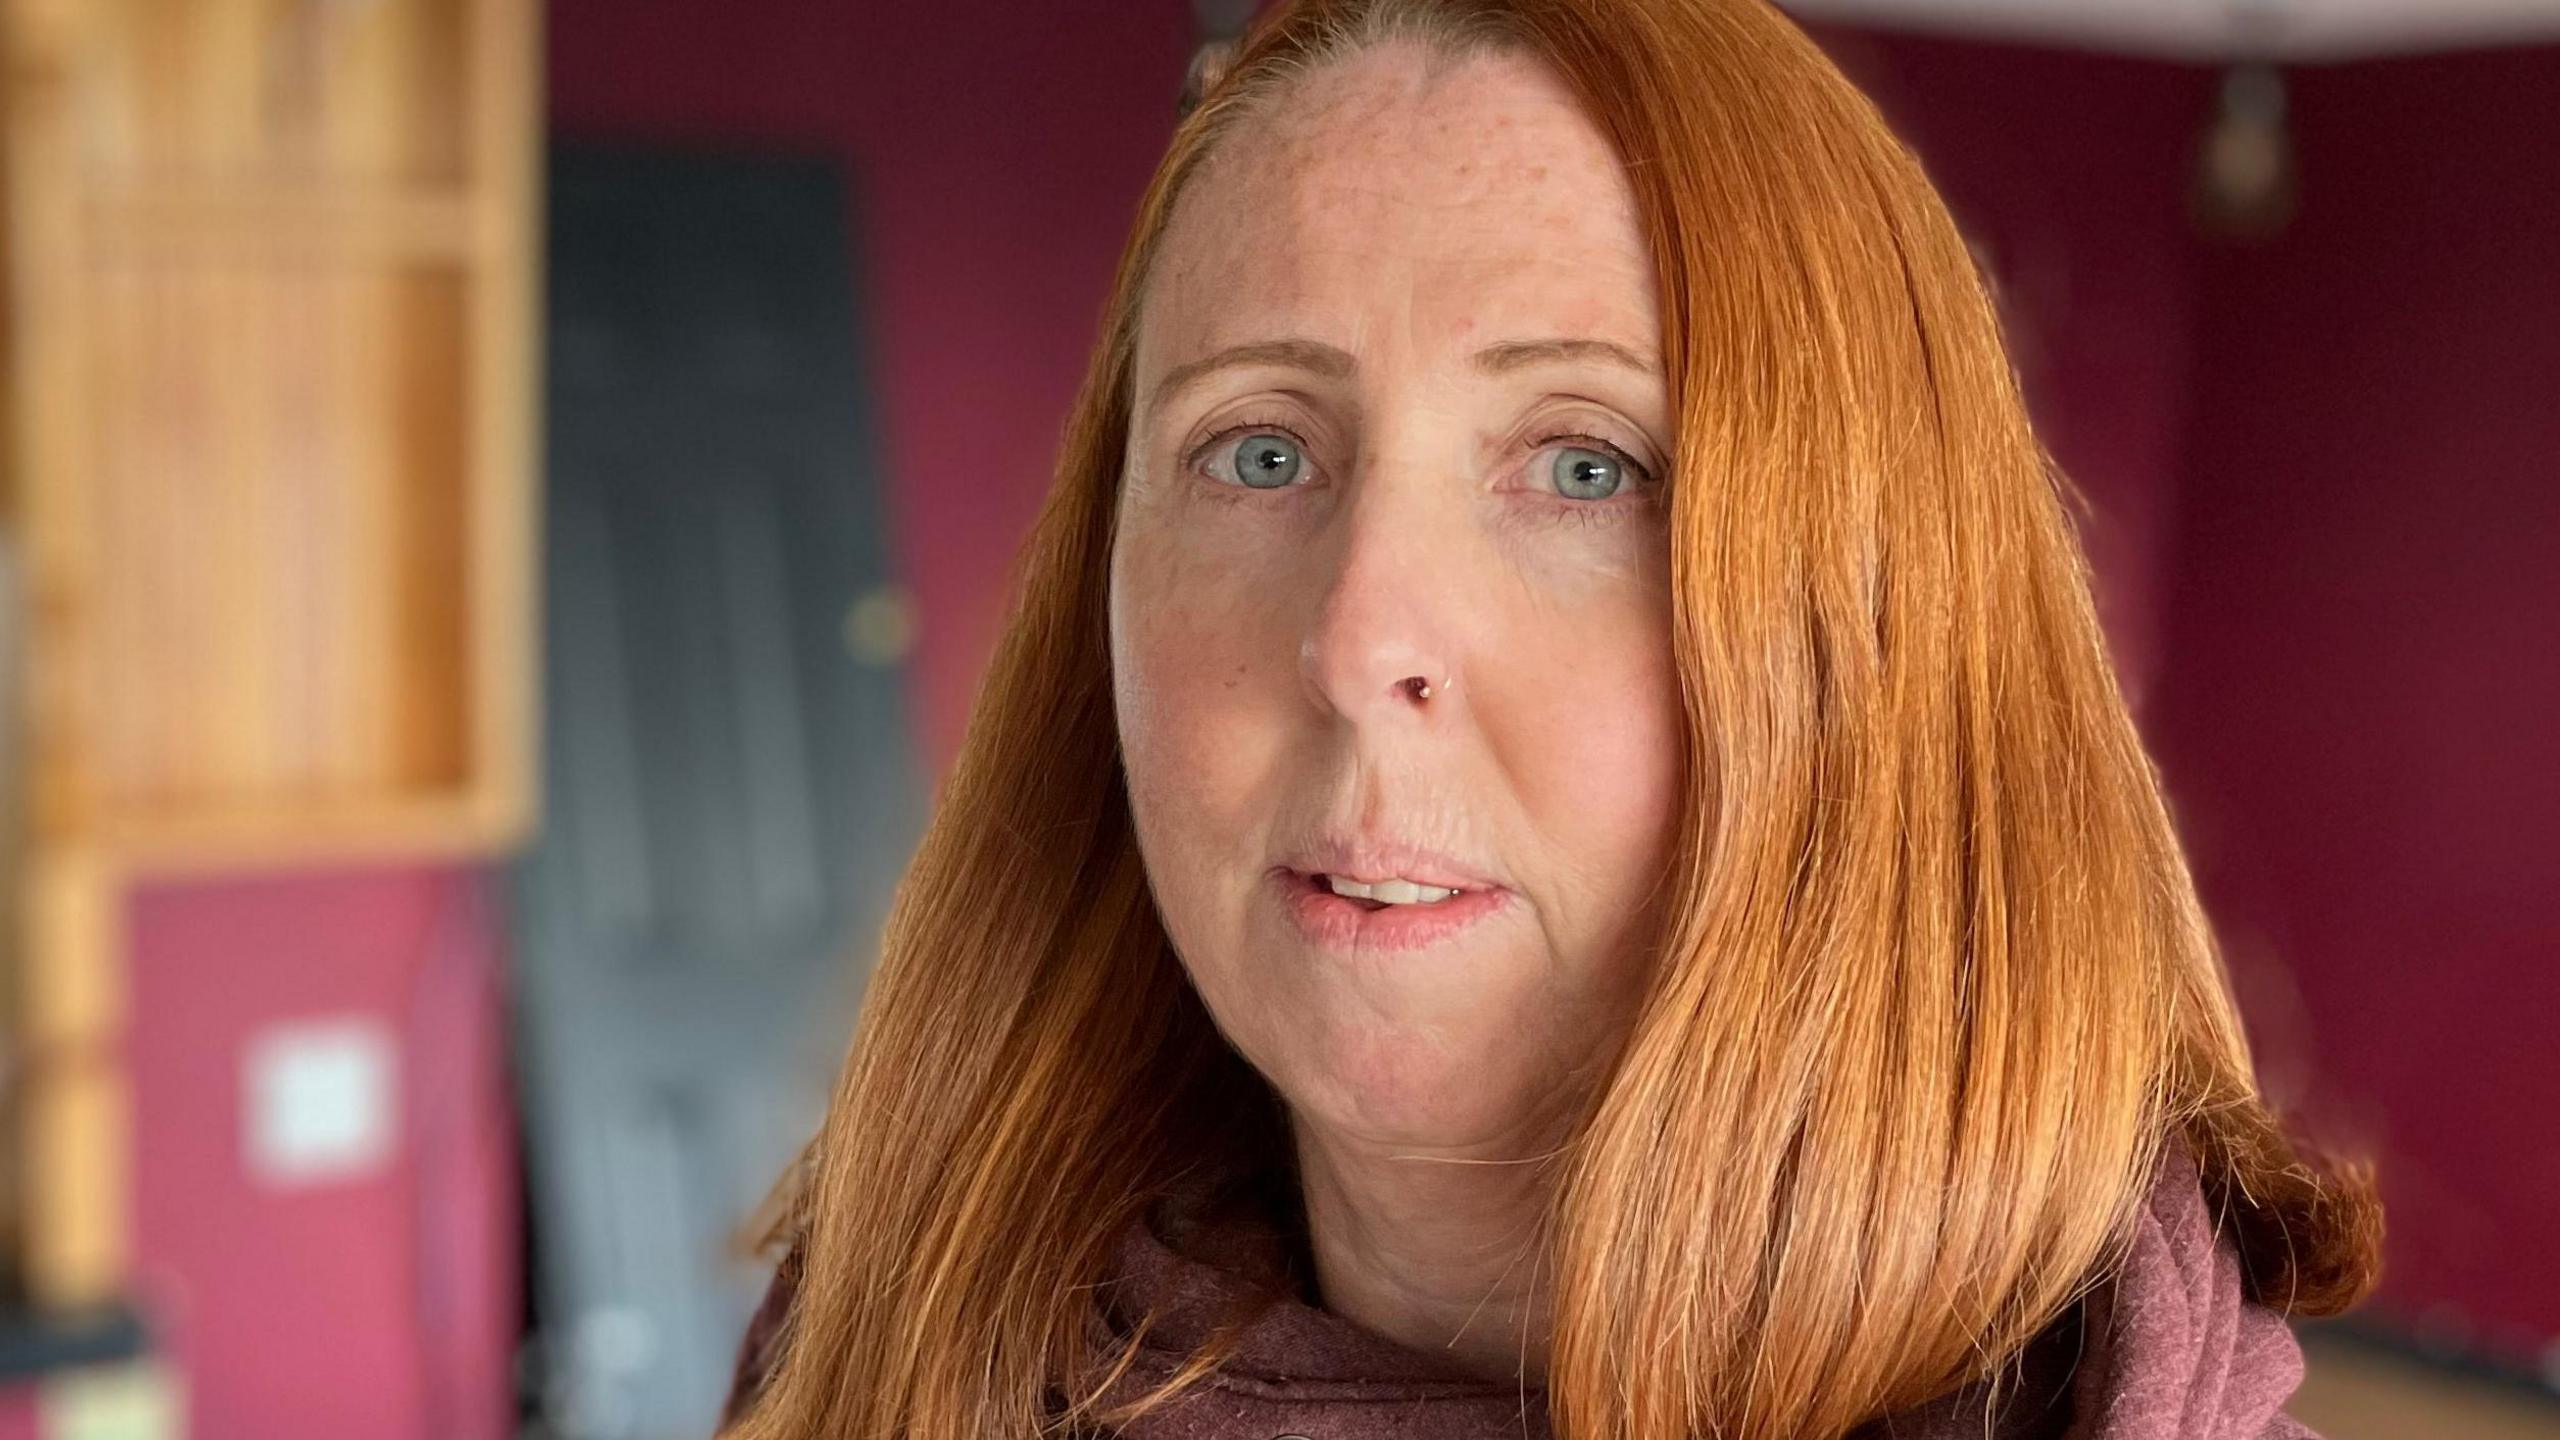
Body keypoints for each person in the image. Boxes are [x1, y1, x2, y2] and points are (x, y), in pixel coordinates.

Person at [718, 1, 2381, 1436]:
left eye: (1587, 465)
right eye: (1261, 450)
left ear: (1888, 633)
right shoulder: (870, 1352)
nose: (1360, 636)